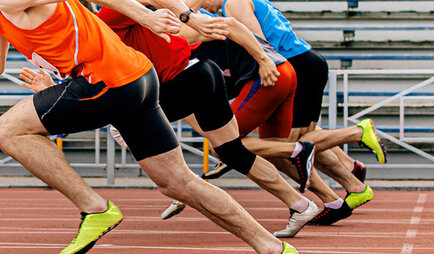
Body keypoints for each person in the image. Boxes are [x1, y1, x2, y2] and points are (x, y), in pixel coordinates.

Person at [0, 0, 299, 254]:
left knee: (8, 130)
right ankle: (272, 249)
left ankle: (94, 208)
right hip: (136, 79)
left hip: (108, 80)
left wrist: (154, 16)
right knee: (178, 182)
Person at [21, 3, 320, 237]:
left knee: (125, 129)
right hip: (202, 74)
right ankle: (300, 204)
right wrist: (52, 88)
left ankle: (183, 182)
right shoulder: (84, 38)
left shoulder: (107, 17)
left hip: (183, 81)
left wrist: (186, 16)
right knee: (231, 151)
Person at [187, 0, 386, 222]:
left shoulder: (233, 4)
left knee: (287, 146)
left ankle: (356, 135)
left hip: (288, 66)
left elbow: (257, 40)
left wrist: (262, 61)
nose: (209, 11)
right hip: (298, 63)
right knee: (281, 145)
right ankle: (351, 176)